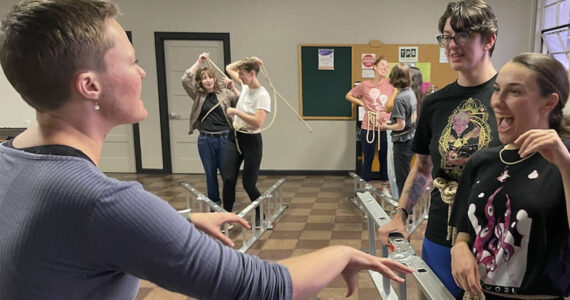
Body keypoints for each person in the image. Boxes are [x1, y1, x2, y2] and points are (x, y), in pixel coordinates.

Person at [0, 1, 415, 299]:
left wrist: (178, 219)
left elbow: (73, 237)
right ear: (90, 85)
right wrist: (343, 252)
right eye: (132, 60)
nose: (142, 71)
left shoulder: (8, 160)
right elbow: (259, 286)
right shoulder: (105, 204)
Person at [378, 0, 501, 296]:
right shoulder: (435, 103)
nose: (451, 44)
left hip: (495, 235)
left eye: (462, 35)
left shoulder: (508, 98)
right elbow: (422, 167)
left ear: (489, 39)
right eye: (446, 36)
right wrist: (401, 214)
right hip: (440, 233)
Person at [450, 53, 570, 300]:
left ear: (549, 102)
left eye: (514, 92)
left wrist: (564, 164)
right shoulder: (483, 161)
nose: (497, 102)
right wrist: (459, 248)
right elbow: (464, 226)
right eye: (496, 90)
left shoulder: (565, 158)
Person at [182, 53, 239, 206]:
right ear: (201, 81)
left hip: (225, 138)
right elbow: (185, 79)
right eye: (204, 78)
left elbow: (241, 103)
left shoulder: (225, 94)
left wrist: (233, 87)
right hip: (206, 139)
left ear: (215, 79)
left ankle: (229, 201)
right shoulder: (198, 95)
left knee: (228, 175)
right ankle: (214, 203)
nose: (208, 81)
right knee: (210, 174)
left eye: (210, 77)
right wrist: (198, 62)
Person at [223, 57, 269, 224]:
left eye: (242, 74)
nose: (239, 77)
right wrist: (249, 58)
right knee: (228, 178)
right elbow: (229, 68)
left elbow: (258, 122)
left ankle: (260, 214)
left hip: (251, 140)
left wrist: (236, 111)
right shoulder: (245, 85)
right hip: (234, 136)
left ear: (251, 74)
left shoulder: (262, 95)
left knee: (249, 183)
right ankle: (226, 217)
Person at [346, 56, 395, 193]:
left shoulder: (391, 84)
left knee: (384, 158)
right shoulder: (364, 85)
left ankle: (385, 185)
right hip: (368, 127)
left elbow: (395, 101)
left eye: (386, 66)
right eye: (382, 66)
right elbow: (349, 95)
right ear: (374, 67)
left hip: (385, 128)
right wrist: (362, 104)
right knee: (368, 159)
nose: (384, 68)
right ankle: (365, 187)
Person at [380, 63, 417, 196]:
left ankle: (404, 211)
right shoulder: (410, 93)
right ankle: (407, 208)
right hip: (411, 137)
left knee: (402, 178)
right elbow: (408, 118)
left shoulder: (400, 98)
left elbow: (400, 125)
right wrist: (391, 121)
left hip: (402, 142)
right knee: (406, 175)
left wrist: (386, 126)